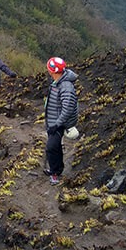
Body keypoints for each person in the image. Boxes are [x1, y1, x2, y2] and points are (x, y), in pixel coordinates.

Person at [44, 57, 78, 186]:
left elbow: (68, 108)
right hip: (53, 120)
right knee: (56, 146)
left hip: (58, 123)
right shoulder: (58, 81)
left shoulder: (65, 86)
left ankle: (54, 173)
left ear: (52, 70)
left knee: (51, 148)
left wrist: (57, 124)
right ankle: (58, 169)